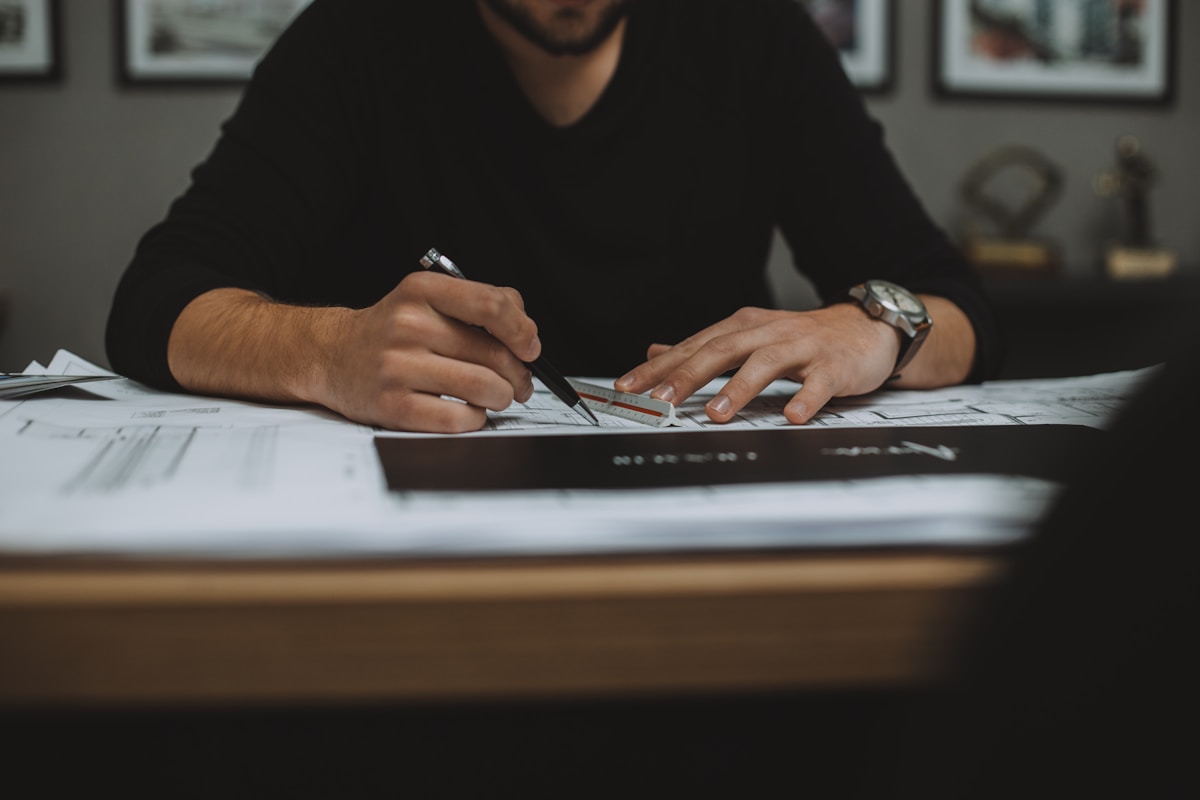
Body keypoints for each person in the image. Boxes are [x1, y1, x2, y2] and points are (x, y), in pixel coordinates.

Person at [106, 0, 1003, 434]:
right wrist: (324, 353)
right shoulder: (360, 37)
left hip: (697, 529)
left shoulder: (752, 35)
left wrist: (879, 327)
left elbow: (957, 304)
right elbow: (158, 299)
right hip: (417, 539)